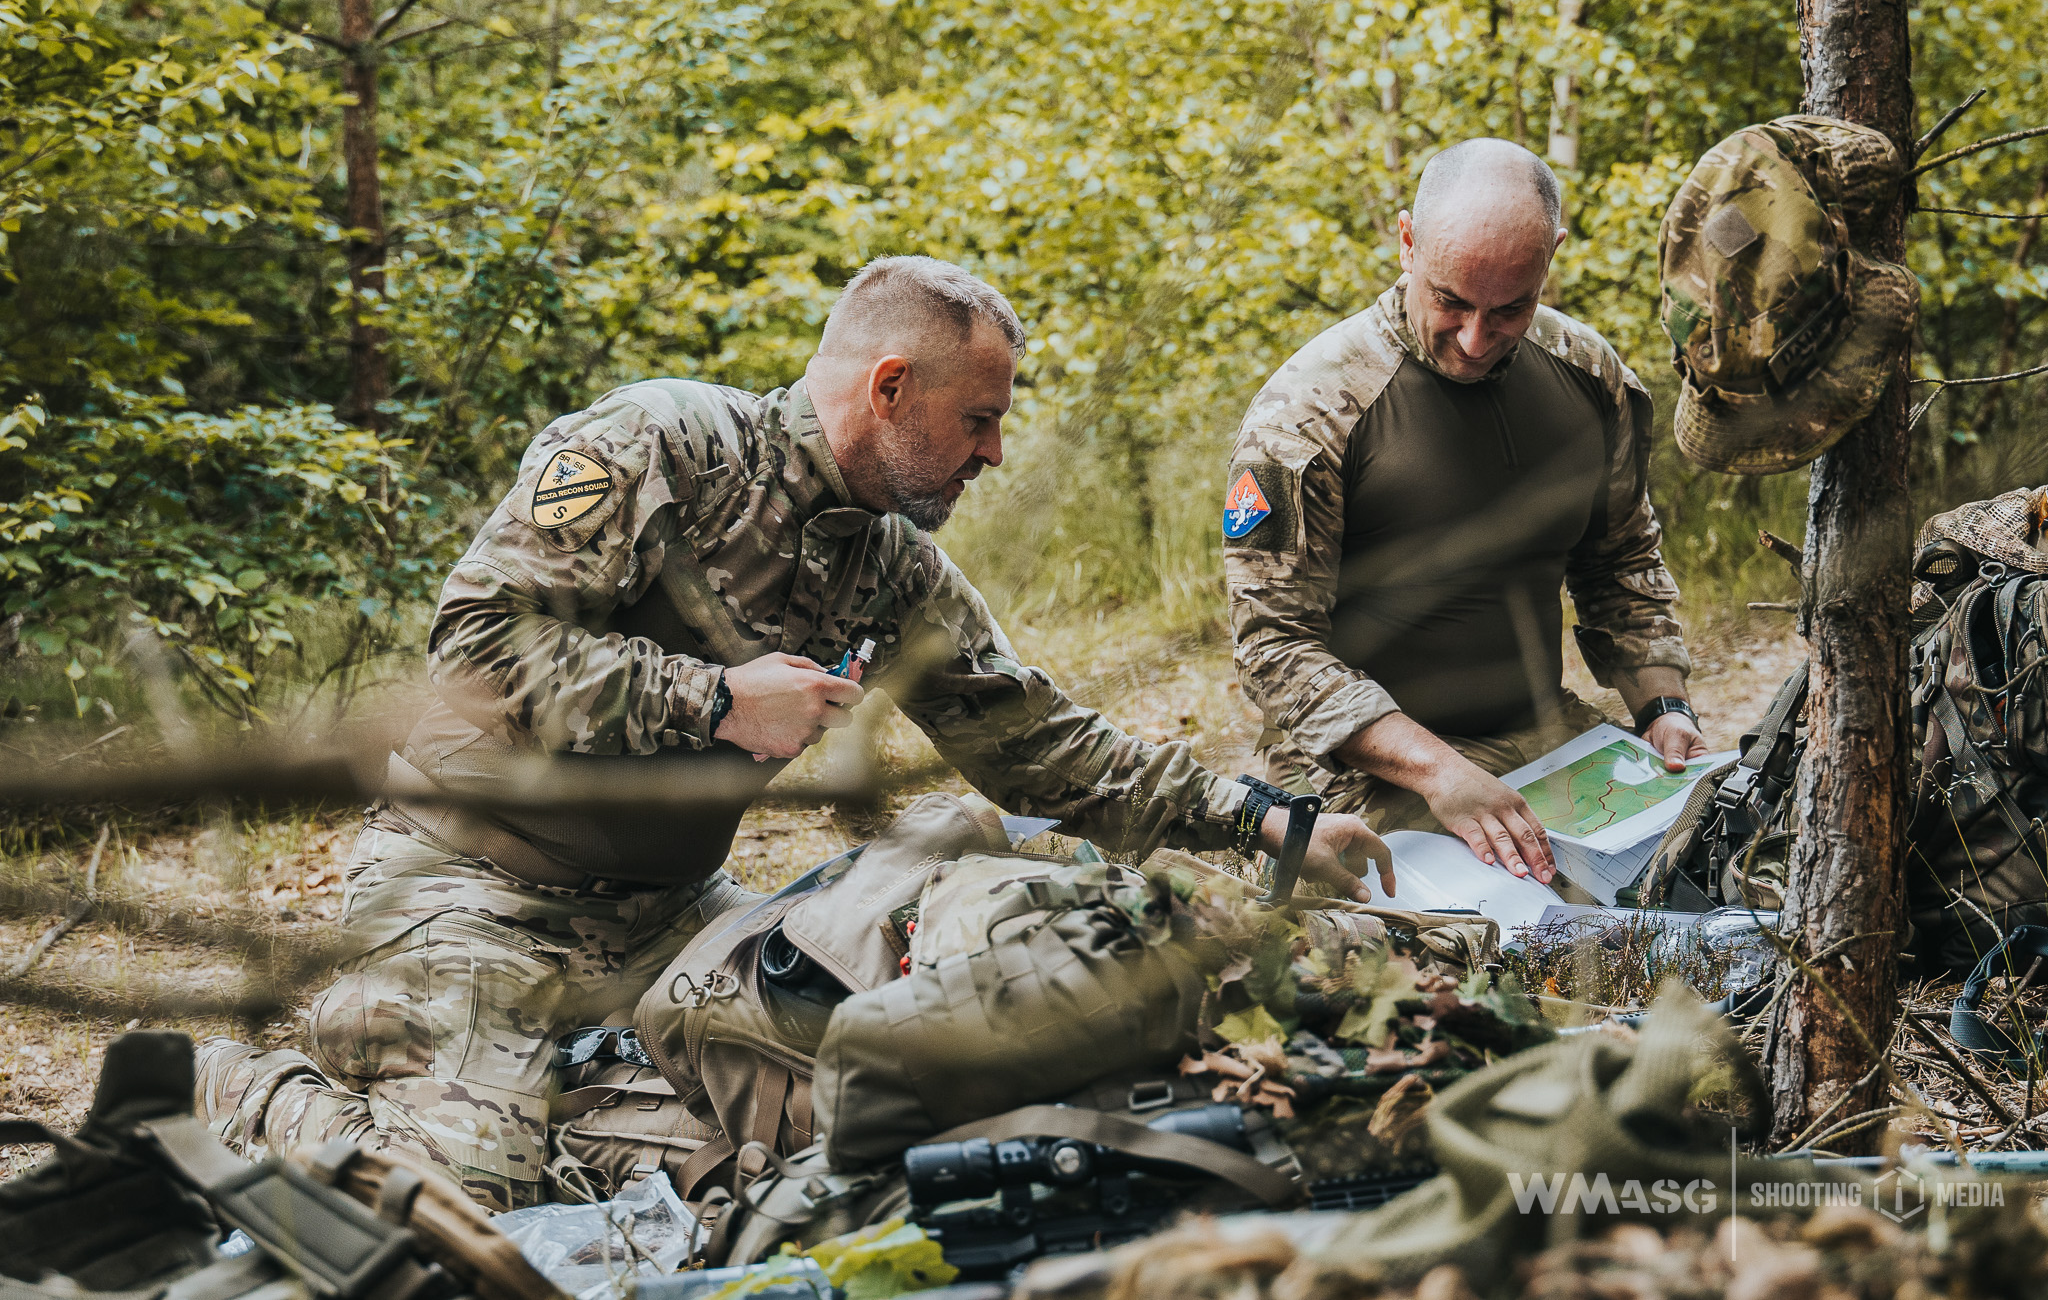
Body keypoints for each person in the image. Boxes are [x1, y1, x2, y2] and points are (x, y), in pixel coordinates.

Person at [195, 255, 1395, 1211]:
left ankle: (522, 1072)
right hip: (469, 883)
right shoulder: (655, 448)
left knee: (836, 1119)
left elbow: (1042, 743)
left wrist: (1272, 822)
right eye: (976, 420)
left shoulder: (891, 567)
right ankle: (234, 1081)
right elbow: (473, 648)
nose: (991, 452)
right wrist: (712, 699)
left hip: (671, 918)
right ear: (887, 389)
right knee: (461, 1198)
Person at [1223, 140, 1703, 890]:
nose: (1476, 340)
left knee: (1709, 860)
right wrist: (1438, 769)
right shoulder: (1310, 411)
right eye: (1451, 301)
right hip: (1361, 769)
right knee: (1503, 940)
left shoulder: (1589, 376)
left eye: (1511, 307)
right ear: (1408, 241)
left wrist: (1663, 707)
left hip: (1544, 738)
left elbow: (1622, 560)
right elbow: (1275, 647)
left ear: (1553, 257)